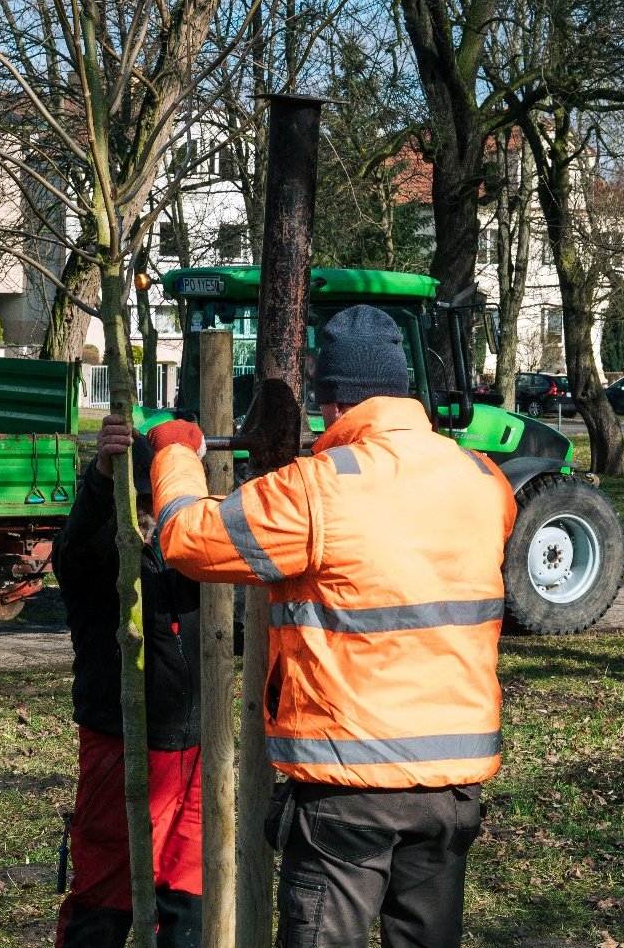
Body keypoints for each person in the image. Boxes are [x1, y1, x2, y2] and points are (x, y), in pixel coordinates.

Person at [146, 304, 516, 948]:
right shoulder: (484, 481)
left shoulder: (318, 489)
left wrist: (178, 459)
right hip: (453, 786)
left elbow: (188, 539)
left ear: (328, 401)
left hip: (350, 785)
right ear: (403, 388)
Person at [53, 425, 204, 947]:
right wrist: (100, 478)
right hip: (120, 742)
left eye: (153, 501)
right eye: (140, 501)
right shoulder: (99, 556)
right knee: (106, 893)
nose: (148, 517)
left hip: (194, 748)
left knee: (187, 897)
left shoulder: (188, 552)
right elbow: (73, 545)